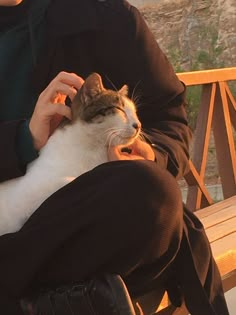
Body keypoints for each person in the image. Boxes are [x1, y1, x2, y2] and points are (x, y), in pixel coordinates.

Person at [0, 0, 229, 314]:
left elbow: (169, 119)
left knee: (151, 193)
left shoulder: (106, 17)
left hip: (97, 222)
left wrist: (152, 154)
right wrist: (20, 139)